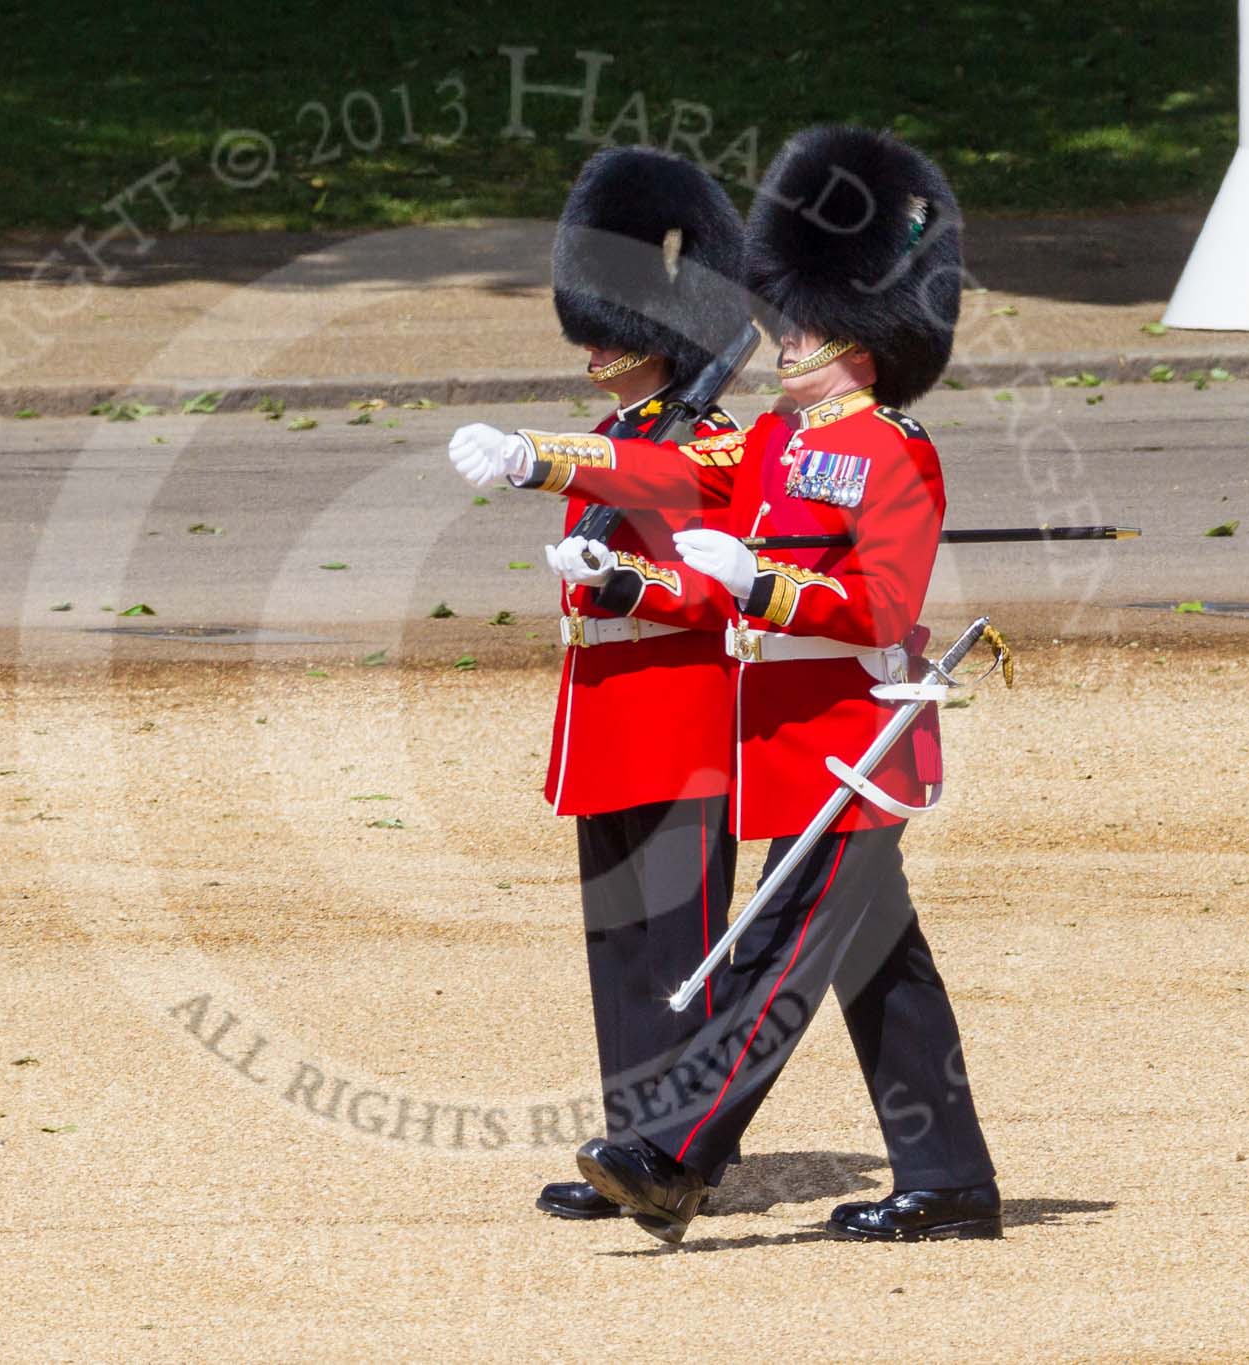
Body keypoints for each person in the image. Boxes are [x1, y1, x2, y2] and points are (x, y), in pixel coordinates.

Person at [449, 126, 999, 1245]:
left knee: (771, 956)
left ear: (864, 335)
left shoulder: (894, 451)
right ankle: (949, 1181)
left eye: (804, 322)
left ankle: (674, 1152)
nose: (782, 337)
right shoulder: (771, 446)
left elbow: (882, 607)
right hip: (784, 746)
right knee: (877, 968)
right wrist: (601, 541)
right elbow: (670, 483)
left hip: (854, 738)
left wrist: (768, 584)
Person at [450, 146, 750, 1222]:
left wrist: (539, 461)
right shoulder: (629, 430)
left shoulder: (713, 440)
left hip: (683, 725)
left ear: (663, 337)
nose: (592, 351)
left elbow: (670, 502)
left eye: (612, 330)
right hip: (611, 728)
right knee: (620, 950)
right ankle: (630, 1147)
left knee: (682, 955)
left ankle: (683, 1153)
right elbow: (620, 464)